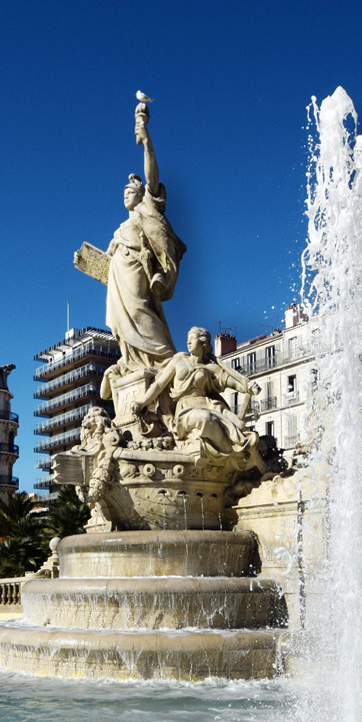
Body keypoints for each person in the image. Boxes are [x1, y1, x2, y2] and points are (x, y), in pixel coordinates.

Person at [82, 99, 186, 370]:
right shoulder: (119, 230)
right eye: (125, 192)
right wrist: (88, 261)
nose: (127, 193)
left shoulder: (148, 209)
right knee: (120, 322)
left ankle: (166, 358)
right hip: (118, 283)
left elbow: (152, 177)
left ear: (141, 195)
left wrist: (147, 140)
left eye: (132, 190)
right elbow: (106, 263)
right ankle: (132, 362)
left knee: (141, 313)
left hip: (136, 277)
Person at [131, 327, 265, 472]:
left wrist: (248, 388)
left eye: (192, 338)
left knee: (239, 426)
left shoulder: (211, 368)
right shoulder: (179, 360)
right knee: (206, 419)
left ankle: (250, 459)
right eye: (188, 337)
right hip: (186, 408)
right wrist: (142, 401)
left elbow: (231, 382)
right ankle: (232, 454)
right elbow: (159, 384)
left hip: (210, 405)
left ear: (203, 344)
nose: (188, 341)